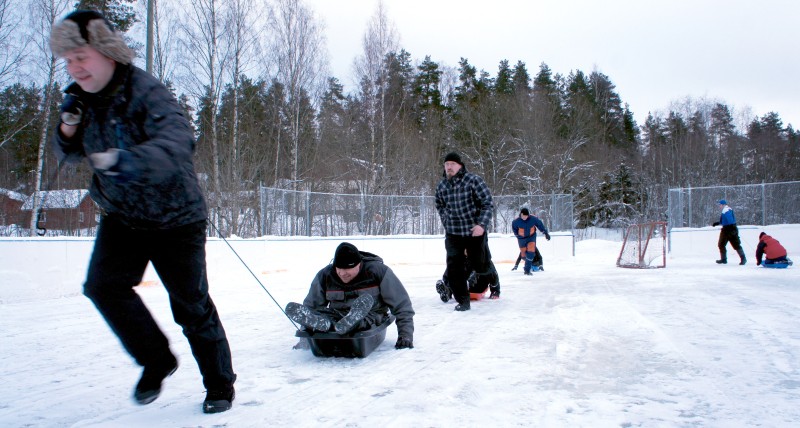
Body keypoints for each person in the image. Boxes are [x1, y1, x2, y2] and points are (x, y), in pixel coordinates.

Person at [49, 11, 236, 413]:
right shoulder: (80, 98)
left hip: (177, 218)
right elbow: (68, 153)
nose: (75, 67)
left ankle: (220, 384)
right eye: (68, 60)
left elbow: (178, 141)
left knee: (190, 306)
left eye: (81, 56)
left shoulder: (146, 92)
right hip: (123, 216)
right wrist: (67, 127)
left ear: (106, 52)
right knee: (103, 287)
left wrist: (128, 162)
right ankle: (157, 359)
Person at [285, 242, 415, 349]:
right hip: (337, 315)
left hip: (370, 315)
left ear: (359, 264)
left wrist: (405, 336)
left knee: (364, 319)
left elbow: (402, 305)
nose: (342, 273)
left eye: (347, 269)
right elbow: (311, 307)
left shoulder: (377, 272)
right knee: (322, 315)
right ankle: (328, 324)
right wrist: (306, 340)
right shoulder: (326, 275)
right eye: (339, 268)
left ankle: (352, 322)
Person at [434, 152, 494, 311]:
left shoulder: (473, 180)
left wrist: (481, 225)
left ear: (460, 166)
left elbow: (487, 203)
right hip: (453, 233)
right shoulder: (442, 185)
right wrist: (446, 221)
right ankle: (463, 301)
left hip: (473, 232)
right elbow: (439, 205)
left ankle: (491, 282)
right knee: (454, 269)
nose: (449, 167)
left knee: (480, 265)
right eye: (447, 164)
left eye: (452, 164)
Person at [436, 248, 501, 301]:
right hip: (461, 286)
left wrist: (495, 291)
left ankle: (463, 286)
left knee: (482, 268)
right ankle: (447, 291)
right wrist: (446, 282)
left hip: (478, 286)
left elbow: (493, 273)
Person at [511, 207, 550, 275]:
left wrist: (545, 233)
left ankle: (527, 270)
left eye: (526, 216)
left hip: (531, 237)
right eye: (523, 216)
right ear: (521, 214)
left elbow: (540, 225)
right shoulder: (516, 221)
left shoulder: (533, 219)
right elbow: (514, 229)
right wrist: (518, 236)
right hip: (521, 239)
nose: (525, 217)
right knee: (523, 255)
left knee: (531, 252)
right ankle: (528, 266)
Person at [712, 199, 746, 265]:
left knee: (724, 244)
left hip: (729, 229)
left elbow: (730, 220)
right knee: (730, 244)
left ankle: (725, 259)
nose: (719, 206)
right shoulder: (728, 209)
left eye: (720, 205)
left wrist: (732, 227)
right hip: (729, 229)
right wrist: (718, 223)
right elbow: (725, 220)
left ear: (723, 204)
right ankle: (742, 258)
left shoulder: (726, 210)